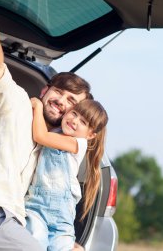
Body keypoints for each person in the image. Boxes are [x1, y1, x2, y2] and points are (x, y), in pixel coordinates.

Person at [0, 1, 92, 251]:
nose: (61, 102)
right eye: (59, 92)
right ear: (45, 90)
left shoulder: (52, 148)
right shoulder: (16, 103)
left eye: (71, 101)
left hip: (17, 223)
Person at [25, 98, 108, 251]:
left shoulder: (78, 143)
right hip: (36, 206)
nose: (75, 121)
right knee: (35, 241)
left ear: (90, 135)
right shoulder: (55, 131)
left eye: (83, 122)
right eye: (74, 113)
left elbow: (40, 136)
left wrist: (38, 106)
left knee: (61, 246)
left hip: (62, 216)